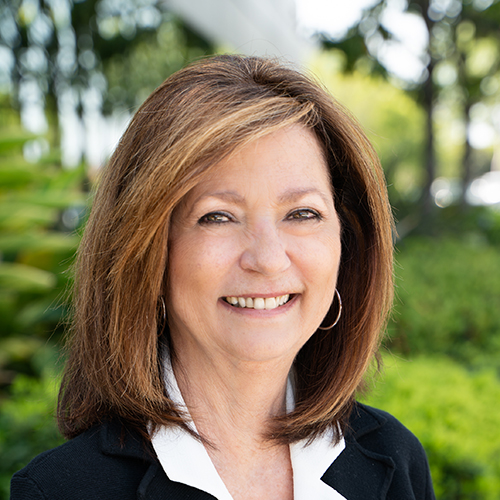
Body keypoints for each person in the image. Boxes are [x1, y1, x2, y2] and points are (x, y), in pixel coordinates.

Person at [11, 54, 435, 500]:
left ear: (346, 244)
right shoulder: (60, 490)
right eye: (218, 217)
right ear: (147, 251)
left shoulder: (395, 460)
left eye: (303, 213)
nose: (268, 259)